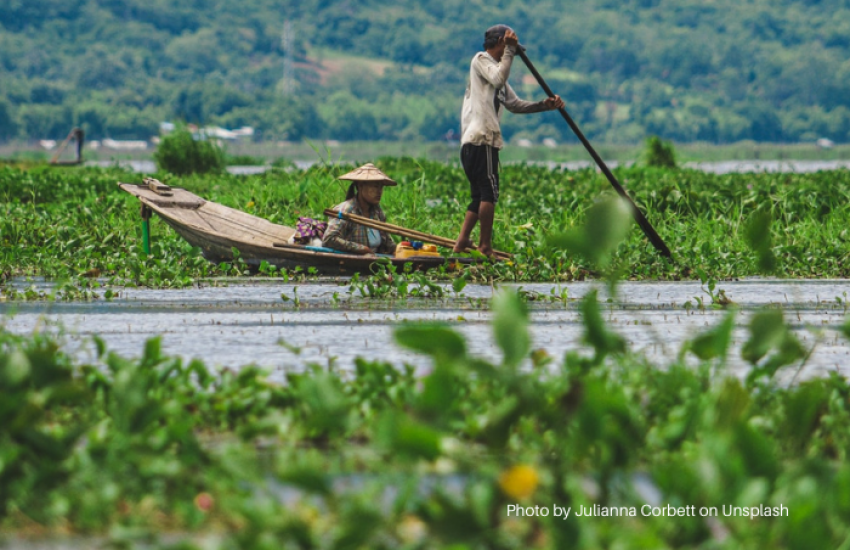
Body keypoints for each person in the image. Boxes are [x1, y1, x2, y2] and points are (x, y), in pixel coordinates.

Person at [454, 25, 565, 257]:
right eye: (509, 49)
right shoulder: (481, 60)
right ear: (499, 43)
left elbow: (515, 105)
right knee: (489, 192)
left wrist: (544, 106)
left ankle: (463, 240)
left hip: (481, 141)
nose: (511, 54)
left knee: (479, 194)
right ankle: (485, 246)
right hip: (480, 138)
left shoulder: (497, 74)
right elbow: (498, 77)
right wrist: (509, 52)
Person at [322, 163, 397, 255]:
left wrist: (399, 249)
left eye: (381, 187)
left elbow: (387, 242)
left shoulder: (377, 212)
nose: (379, 191)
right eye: (375, 186)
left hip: (375, 262)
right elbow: (329, 239)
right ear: (361, 186)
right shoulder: (346, 210)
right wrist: (361, 249)